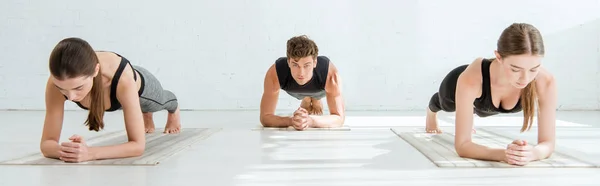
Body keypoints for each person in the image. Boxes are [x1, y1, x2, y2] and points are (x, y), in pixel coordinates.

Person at [425, 23, 557, 166]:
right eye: (515, 69)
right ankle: (430, 112)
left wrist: (531, 153)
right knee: (445, 104)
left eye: (533, 69)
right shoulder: (471, 79)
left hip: (485, 107)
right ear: (498, 57)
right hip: (454, 87)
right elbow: (462, 146)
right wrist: (504, 154)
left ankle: (471, 113)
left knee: (480, 112)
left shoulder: (546, 82)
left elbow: (548, 143)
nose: (525, 79)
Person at [40, 37, 181, 163]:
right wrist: (69, 151)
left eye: (78, 88)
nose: (70, 97)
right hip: (116, 91)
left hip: (141, 87)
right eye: (62, 89)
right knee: (139, 108)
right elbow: (47, 144)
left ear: (95, 71)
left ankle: (173, 110)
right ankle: (144, 114)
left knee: (160, 101)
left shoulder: (123, 80)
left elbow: (137, 146)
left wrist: (90, 153)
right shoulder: (58, 81)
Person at [259, 35, 345, 130]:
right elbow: (265, 117)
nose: (301, 73)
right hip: (294, 91)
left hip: (319, 90)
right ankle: (307, 98)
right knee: (303, 94)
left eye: (307, 65)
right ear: (288, 62)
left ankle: (314, 98)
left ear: (315, 63)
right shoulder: (275, 73)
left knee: (316, 96)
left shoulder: (330, 75)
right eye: (295, 65)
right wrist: (292, 121)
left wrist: (310, 121)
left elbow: (339, 118)